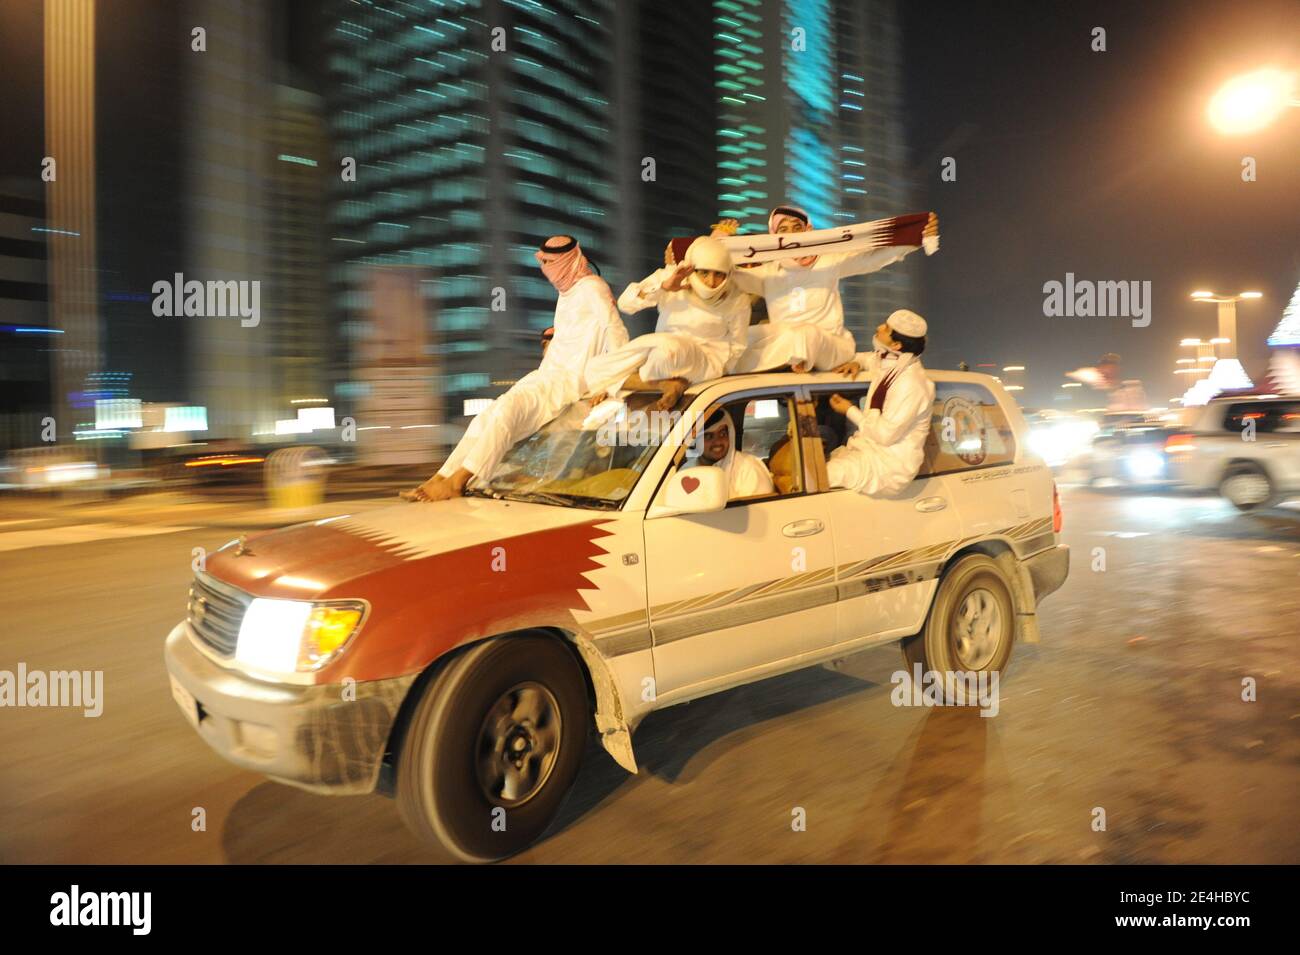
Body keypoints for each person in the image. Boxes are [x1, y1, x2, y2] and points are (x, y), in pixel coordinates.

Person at [406, 236, 628, 501]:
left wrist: (609, 383)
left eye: (549, 261)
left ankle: (458, 481)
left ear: (567, 260)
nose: (545, 267)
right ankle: (440, 477)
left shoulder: (593, 287)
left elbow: (615, 331)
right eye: (543, 261)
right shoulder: (567, 292)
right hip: (545, 375)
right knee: (488, 415)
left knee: (508, 413)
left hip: (567, 380)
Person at [729, 205, 938, 372]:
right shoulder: (768, 273)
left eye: (797, 228)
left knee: (805, 334)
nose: (791, 235)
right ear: (773, 237)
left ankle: (797, 361)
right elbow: (721, 276)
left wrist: (915, 236)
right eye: (783, 231)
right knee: (741, 338)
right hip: (786, 342)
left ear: (808, 231)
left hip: (832, 346)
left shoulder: (829, 261)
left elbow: (872, 259)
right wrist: (714, 241)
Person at [583, 236, 751, 411]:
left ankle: (635, 382)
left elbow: (737, 347)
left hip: (702, 364)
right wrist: (664, 287)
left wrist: (712, 375)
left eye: (719, 274)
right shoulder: (672, 278)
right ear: (692, 268)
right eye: (704, 273)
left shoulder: (737, 299)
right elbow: (625, 304)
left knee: (667, 351)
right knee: (596, 367)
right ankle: (665, 384)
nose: (711, 282)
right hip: (657, 352)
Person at [824, 309, 936, 496]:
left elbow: (885, 435)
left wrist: (849, 410)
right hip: (865, 450)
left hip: (888, 467)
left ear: (897, 344)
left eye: (885, 328)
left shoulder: (912, 384)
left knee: (820, 478)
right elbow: (869, 359)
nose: (879, 327)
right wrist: (857, 363)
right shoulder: (892, 362)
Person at [688, 408, 774, 500]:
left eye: (722, 434)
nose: (717, 442)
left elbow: (757, 511)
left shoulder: (749, 469)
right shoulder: (688, 470)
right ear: (695, 441)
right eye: (708, 436)